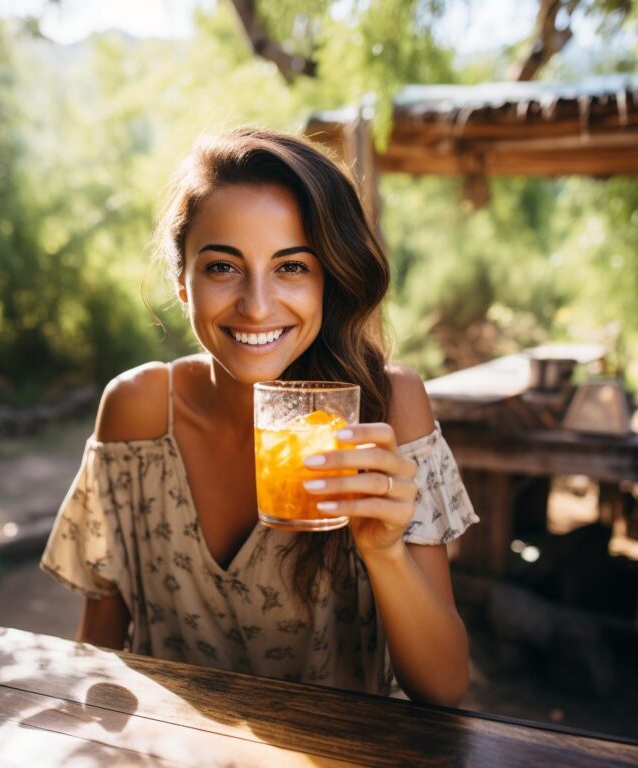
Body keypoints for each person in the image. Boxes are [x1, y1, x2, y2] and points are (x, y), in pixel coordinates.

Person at [40, 127, 479, 706]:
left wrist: (384, 551)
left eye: (292, 267)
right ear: (182, 283)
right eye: (223, 267)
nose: (257, 305)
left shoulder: (387, 407)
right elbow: (99, 647)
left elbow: (445, 687)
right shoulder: (137, 412)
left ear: (330, 277)